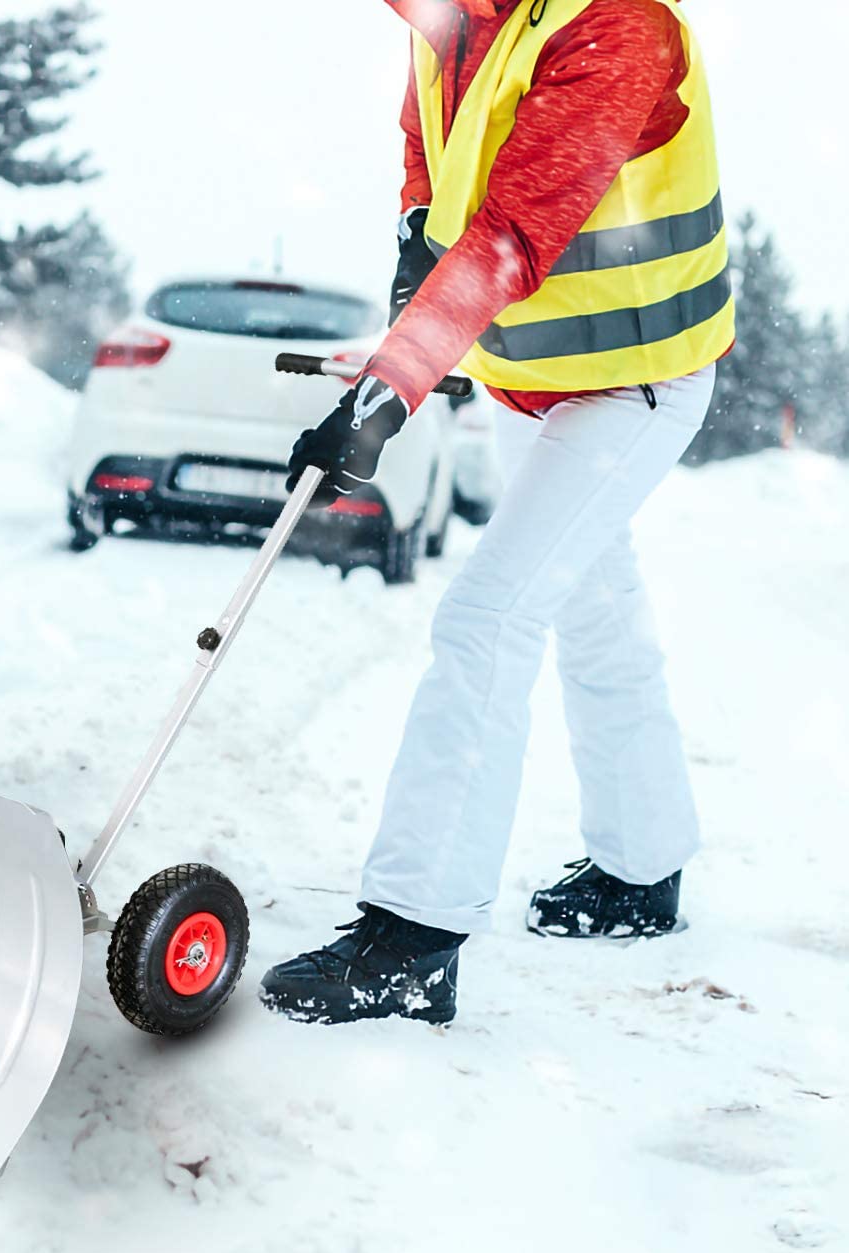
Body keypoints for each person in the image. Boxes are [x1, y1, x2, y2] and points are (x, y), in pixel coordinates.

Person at [259, 0, 734, 1026]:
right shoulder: (449, 18)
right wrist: (406, 250)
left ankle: (414, 939)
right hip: (533, 377)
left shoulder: (617, 25)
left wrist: (391, 387)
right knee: (595, 615)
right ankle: (641, 869)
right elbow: (429, 159)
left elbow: (520, 227)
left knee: (489, 615)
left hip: (634, 379)